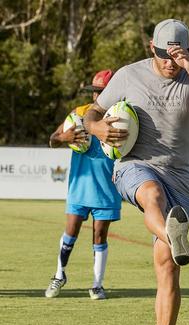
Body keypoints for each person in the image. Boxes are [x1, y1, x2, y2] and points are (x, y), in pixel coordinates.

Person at [82, 19, 189, 325]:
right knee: (151, 194)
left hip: (180, 178)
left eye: (177, 56)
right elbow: (92, 113)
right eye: (163, 55)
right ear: (151, 48)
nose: (169, 63)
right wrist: (97, 128)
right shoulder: (129, 75)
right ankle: (174, 237)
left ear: (188, 52)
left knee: (168, 269)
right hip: (135, 165)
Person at [45, 69, 120, 301]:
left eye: (102, 91)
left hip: (108, 188)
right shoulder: (79, 114)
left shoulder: (122, 115)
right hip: (80, 186)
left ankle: (97, 285)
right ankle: (59, 274)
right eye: (95, 91)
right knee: (71, 231)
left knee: (100, 236)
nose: (97, 96)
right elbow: (53, 140)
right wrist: (63, 138)